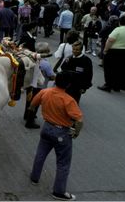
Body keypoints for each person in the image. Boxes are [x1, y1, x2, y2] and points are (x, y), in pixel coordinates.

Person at [28, 71, 83, 201]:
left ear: (55, 80)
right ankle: (58, 192)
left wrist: (31, 116)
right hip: (61, 132)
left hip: (46, 128)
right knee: (63, 162)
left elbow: (32, 105)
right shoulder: (68, 100)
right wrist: (76, 132)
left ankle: (34, 178)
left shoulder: (45, 92)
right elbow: (79, 120)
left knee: (40, 154)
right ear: (68, 85)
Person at [98, 15, 125, 92]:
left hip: (114, 51)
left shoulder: (118, 29)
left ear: (119, 22)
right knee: (121, 69)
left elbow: (110, 40)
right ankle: (116, 86)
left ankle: (108, 85)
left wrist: (105, 50)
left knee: (109, 69)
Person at [24, 42, 56, 129]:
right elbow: (51, 76)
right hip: (39, 87)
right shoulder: (46, 64)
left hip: (30, 84)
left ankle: (26, 115)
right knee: (35, 103)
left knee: (29, 101)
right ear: (46, 51)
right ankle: (30, 121)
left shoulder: (31, 58)